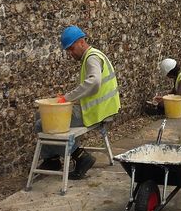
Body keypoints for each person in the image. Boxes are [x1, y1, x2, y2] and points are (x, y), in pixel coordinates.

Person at [37, 25, 120, 179]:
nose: (70, 53)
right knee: (40, 116)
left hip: (96, 112)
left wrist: (66, 99)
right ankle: (53, 160)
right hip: (101, 108)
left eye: (72, 48)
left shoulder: (91, 58)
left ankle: (80, 157)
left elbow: (94, 83)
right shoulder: (93, 55)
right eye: (68, 50)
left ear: (82, 42)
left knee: (42, 124)